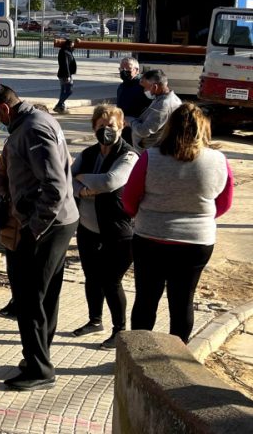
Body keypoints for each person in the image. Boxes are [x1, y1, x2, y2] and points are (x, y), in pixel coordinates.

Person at [0, 83, 79, 391]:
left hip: (45, 226)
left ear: (4, 109)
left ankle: (40, 369)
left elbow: (54, 186)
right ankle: (38, 357)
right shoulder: (35, 122)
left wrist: (35, 228)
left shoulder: (32, 129)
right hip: (55, 222)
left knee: (29, 298)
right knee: (43, 297)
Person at [124, 103, 233, 342]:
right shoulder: (219, 160)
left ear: (170, 127)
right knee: (183, 300)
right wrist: (198, 218)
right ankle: (178, 353)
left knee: (146, 299)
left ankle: (137, 352)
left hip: (151, 238)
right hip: (196, 242)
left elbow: (129, 198)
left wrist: (142, 216)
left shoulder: (150, 157)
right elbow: (224, 203)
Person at [70, 105, 138, 349]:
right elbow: (67, 179)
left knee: (111, 281)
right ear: (94, 128)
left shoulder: (129, 155)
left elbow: (111, 181)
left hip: (118, 231)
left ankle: (119, 330)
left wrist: (81, 180)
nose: (106, 130)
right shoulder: (88, 154)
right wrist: (83, 190)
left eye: (111, 126)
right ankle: (94, 321)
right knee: (92, 277)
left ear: (121, 127)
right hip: (88, 228)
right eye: (101, 126)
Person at [129, 69, 182, 150]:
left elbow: (144, 131)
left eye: (145, 87)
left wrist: (130, 121)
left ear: (155, 87)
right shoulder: (165, 98)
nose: (144, 90)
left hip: (149, 150)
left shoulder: (164, 105)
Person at [115, 57, 151, 142]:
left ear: (136, 70)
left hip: (137, 129)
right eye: (121, 69)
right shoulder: (121, 86)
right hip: (123, 127)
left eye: (128, 68)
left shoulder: (144, 86)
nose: (124, 71)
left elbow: (151, 107)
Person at [54, 39, 76, 114]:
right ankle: (59, 105)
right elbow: (65, 64)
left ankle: (61, 107)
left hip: (65, 74)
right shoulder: (64, 52)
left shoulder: (67, 51)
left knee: (63, 91)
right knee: (69, 91)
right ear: (68, 45)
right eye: (72, 45)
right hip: (65, 75)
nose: (73, 46)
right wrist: (68, 76)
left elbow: (71, 51)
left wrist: (76, 42)